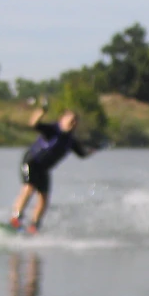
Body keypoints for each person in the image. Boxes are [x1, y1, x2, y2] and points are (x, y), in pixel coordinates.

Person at [9, 100, 98, 234]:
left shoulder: (71, 141)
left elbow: (82, 154)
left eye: (75, 122)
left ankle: (34, 226)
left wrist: (93, 150)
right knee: (29, 188)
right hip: (32, 162)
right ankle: (15, 219)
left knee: (44, 197)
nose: (73, 123)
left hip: (44, 169)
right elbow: (33, 124)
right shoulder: (52, 130)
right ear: (62, 119)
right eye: (71, 120)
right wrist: (41, 111)